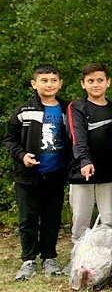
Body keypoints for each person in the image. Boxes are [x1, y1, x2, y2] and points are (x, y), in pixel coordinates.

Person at [4, 64, 70, 280]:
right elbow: (9, 139)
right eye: (44, 80)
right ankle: (28, 260)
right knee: (28, 218)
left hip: (56, 174)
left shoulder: (67, 110)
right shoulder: (24, 110)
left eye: (53, 80)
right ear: (34, 84)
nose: (49, 84)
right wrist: (22, 155)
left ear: (60, 84)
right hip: (28, 176)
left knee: (52, 217)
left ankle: (49, 257)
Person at [66, 63, 112, 242]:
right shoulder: (77, 107)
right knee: (80, 220)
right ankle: (78, 255)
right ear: (83, 84)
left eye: (100, 80)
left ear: (108, 82)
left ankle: (110, 255)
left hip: (109, 174)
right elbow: (77, 136)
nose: (95, 84)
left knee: (110, 220)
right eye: (90, 81)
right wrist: (84, 160)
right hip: (82, 173)